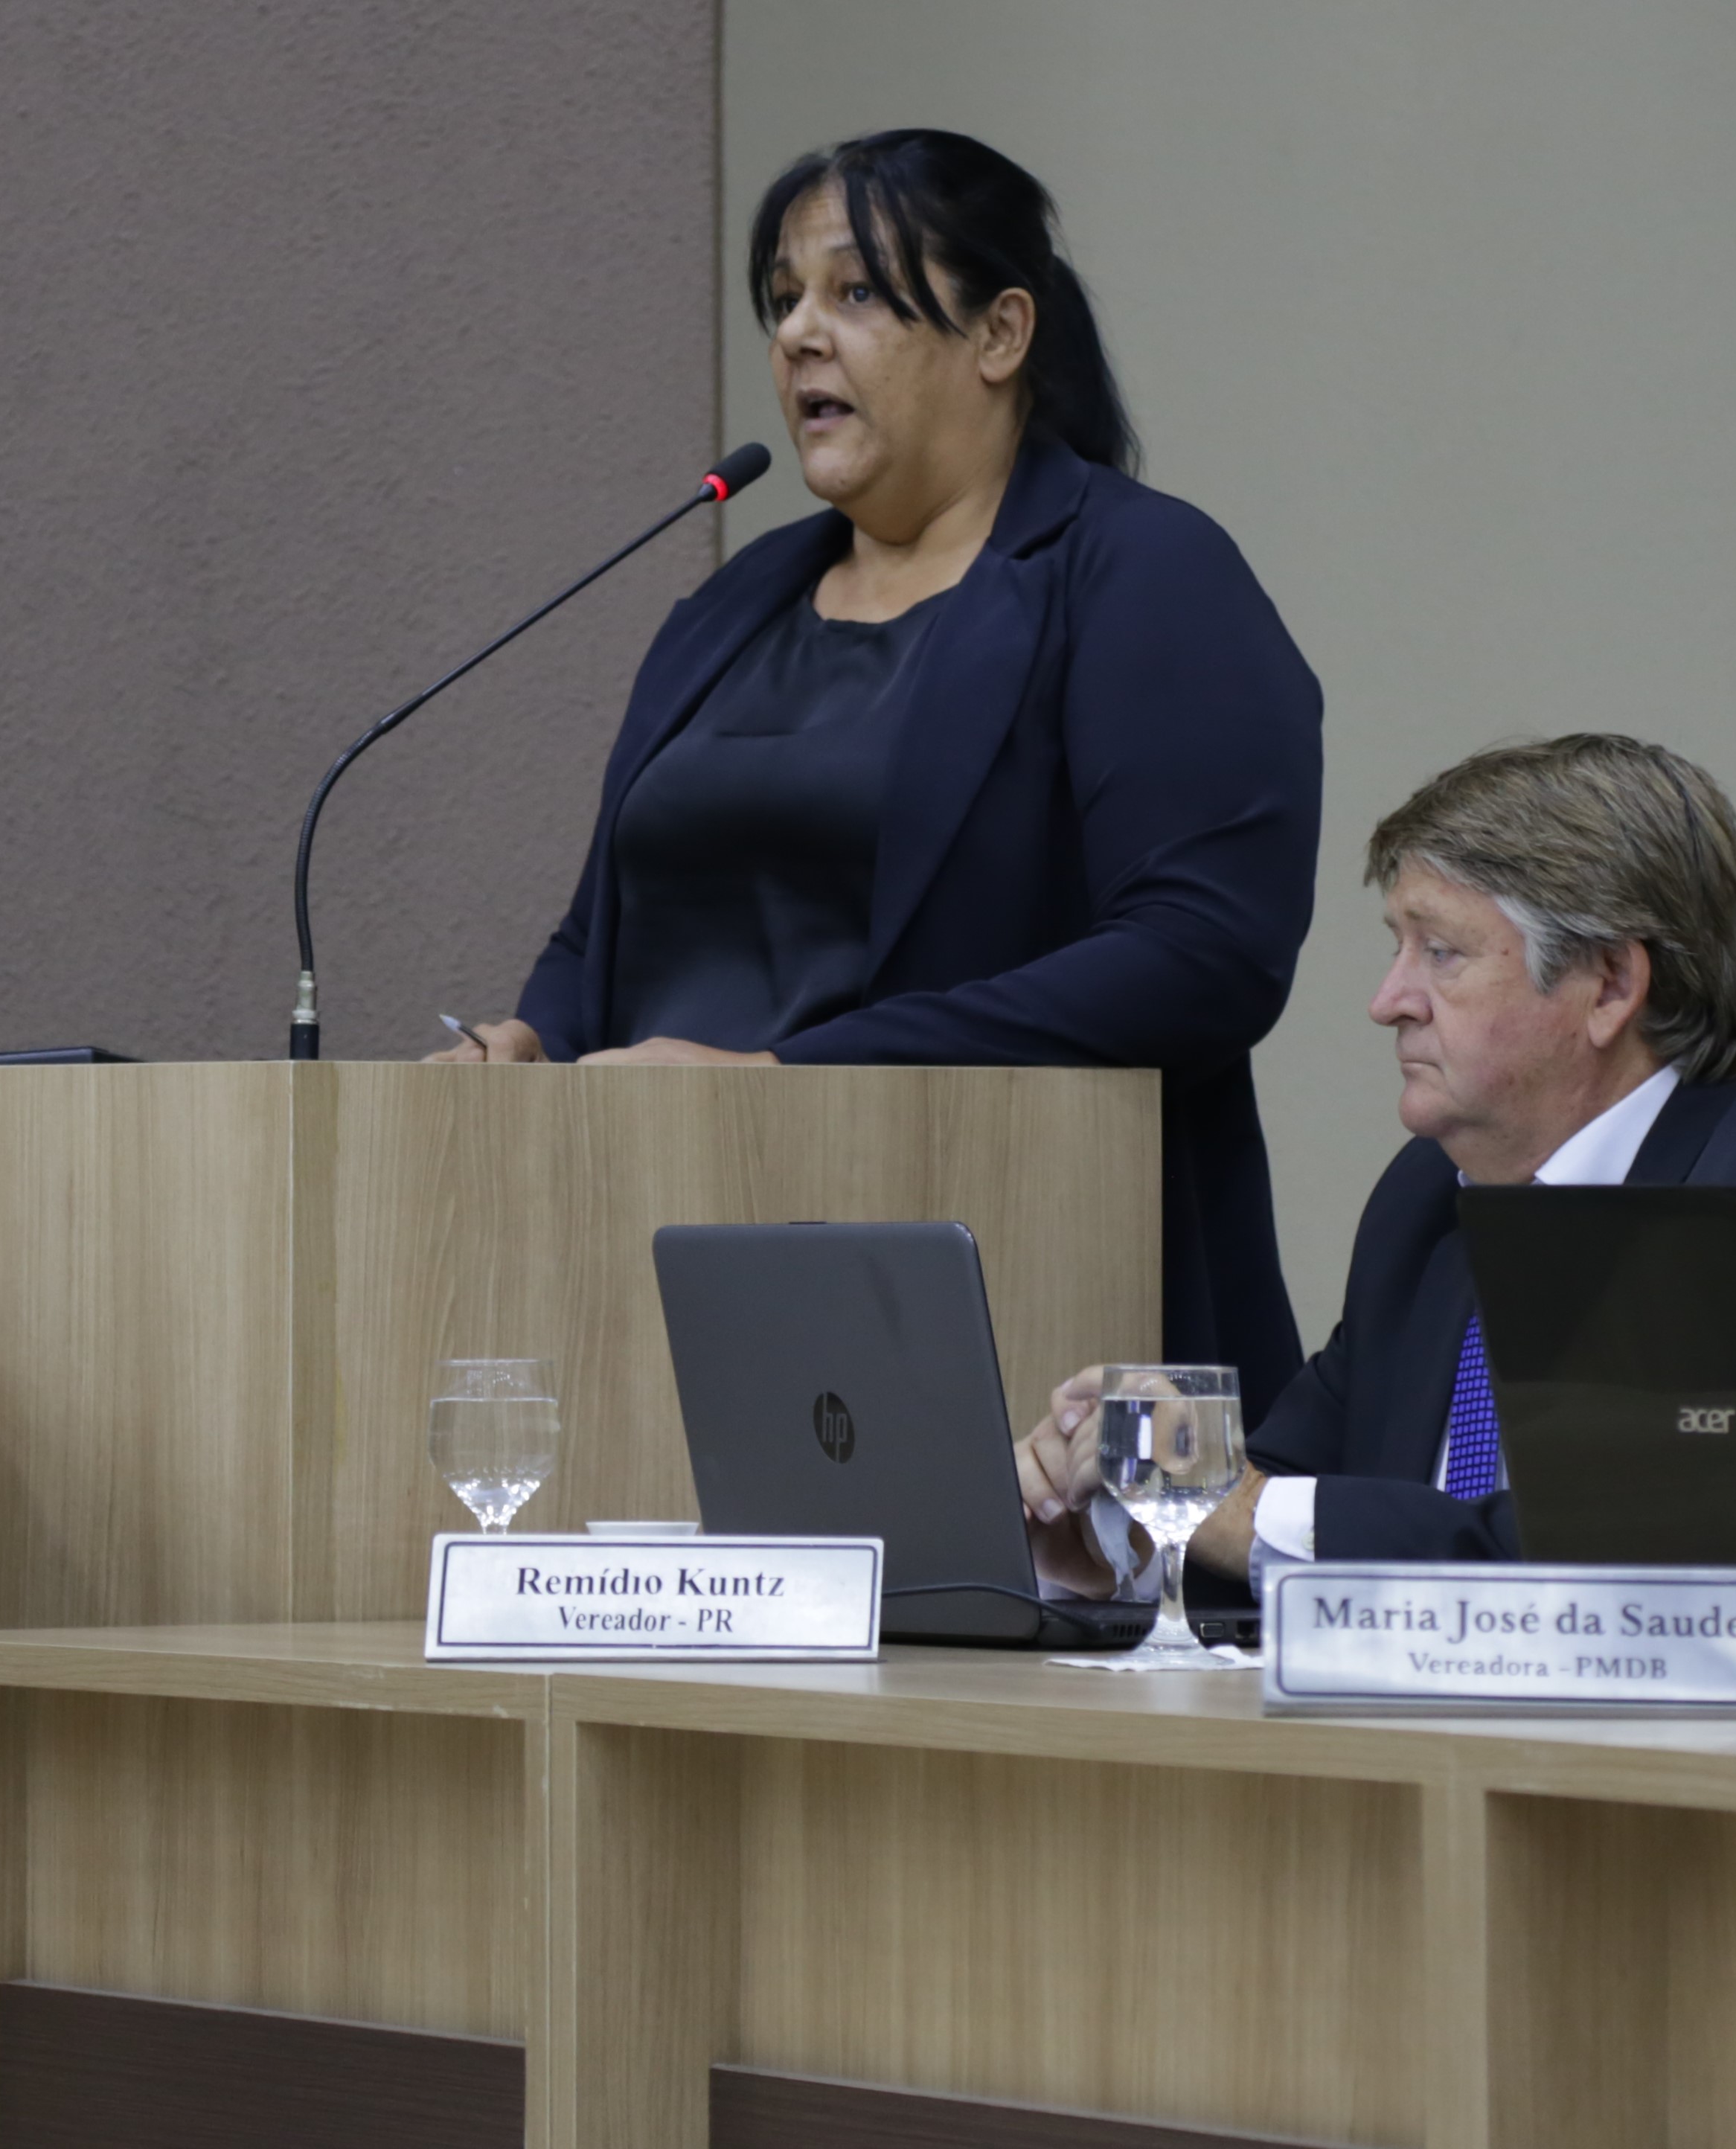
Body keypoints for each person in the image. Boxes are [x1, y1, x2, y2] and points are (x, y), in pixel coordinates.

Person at [434, 130, 1325, 1404]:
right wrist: (535, 1041)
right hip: (665, 1268)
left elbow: (1201, 954)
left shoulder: (1136, 574)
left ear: (1001, 334)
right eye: (783, 297)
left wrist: (787, 1078)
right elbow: (604, 932)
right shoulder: (736, 604)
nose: (799, 333)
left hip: (1016, 1287)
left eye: (852, 292)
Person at [1016, 734, 1736, 1639]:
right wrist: (1115, 1527)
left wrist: (1225, 1503)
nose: (1387, 1001)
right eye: (1397, 949)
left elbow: (1648, 1579)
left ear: (1610, 984)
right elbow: (1286, 1497)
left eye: (1440, 953)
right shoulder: (1429, 1201)